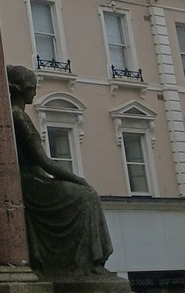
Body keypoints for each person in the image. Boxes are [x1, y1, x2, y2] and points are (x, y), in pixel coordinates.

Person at [7, 65, 113, 277]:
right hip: (32, 181)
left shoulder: (17, 116)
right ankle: (91, 262)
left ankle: (87, 262)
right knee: (87, 197)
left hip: (33, 178)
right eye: (32, 86)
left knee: (85, 195)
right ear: (20, 88)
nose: (35, 91)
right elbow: (44, 161)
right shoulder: (18, 117)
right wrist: (78, 179)